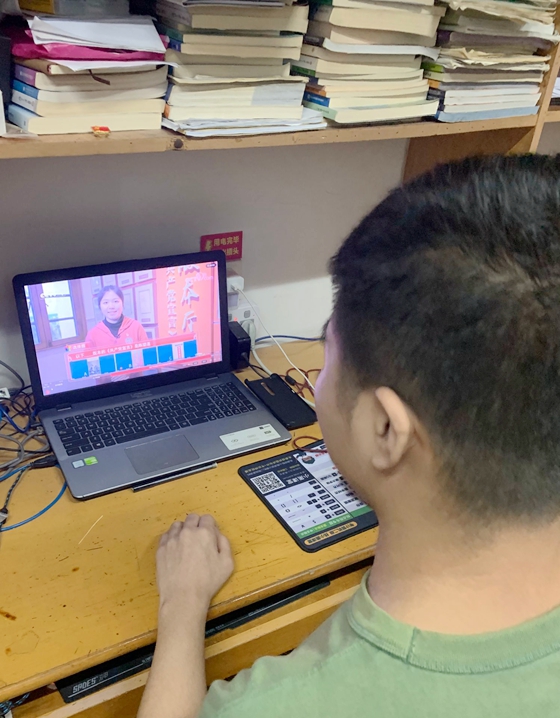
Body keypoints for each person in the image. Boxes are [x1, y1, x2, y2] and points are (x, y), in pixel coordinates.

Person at [137, 155, 560, 718]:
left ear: (384, 428)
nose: (316, 379)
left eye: (328, 352)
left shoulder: (272, 706)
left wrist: (183, 602)